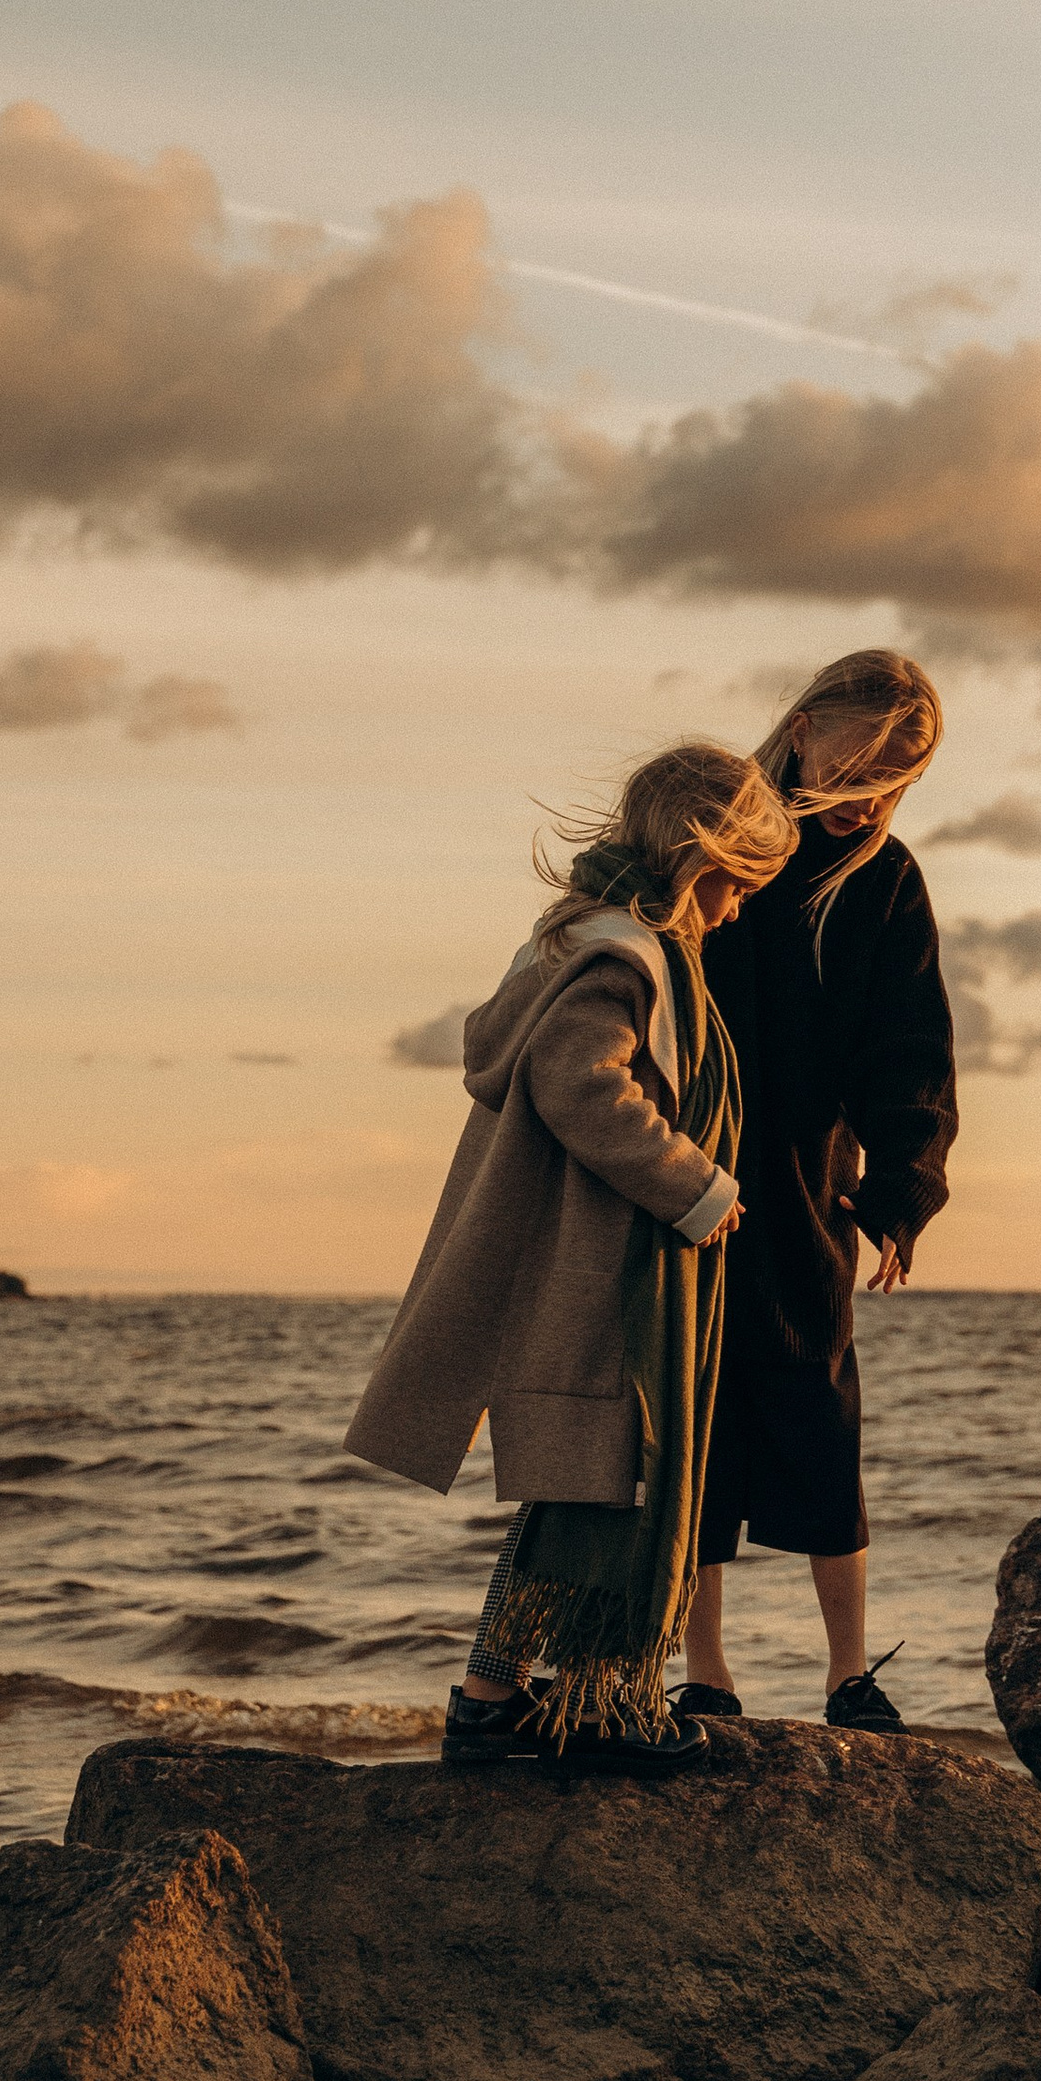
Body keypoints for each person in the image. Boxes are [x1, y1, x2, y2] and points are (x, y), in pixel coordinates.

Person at [344, 740, 799, 1768]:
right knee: (597, 1479)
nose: (733, 911)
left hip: (594, 1253)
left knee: (580, 1482)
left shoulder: (582, 939)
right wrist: (695, 1184)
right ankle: (553, 1703)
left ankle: (504, 1697)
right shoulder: (624, 953)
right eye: (733, 885)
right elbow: (578, 1080)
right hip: (604, 1266)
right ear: (698, 859)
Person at [681, 648, 956, 1736]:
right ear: (800, 732)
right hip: (676, 1168)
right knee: (691, 1415)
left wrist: (900, 1189)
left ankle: (849, 1672)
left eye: (894, 786)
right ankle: (704, 1667)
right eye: (855, 775)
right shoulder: (711, 847)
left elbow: (912, 1050)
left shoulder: (885, 882)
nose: (870, 802)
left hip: (807, 1180)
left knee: (818, 1402)